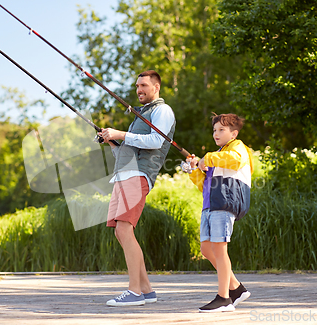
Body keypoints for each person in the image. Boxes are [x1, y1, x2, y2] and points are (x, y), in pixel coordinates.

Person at [98, 70, 175, 307]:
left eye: (143, 85)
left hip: (139, 175)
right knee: (120, 231)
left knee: (124, 228)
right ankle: (146, 290)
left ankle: (134, 293)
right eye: (137, 86)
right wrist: (112, 141)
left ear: (156, 87)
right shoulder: (140, 115)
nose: (139, 90)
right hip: (124, 175)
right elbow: (126, 150)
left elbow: (156, 141)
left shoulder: (163, 110)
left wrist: (121, 133)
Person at [186, 113, 253, 312]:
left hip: (225, 203)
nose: (216, 133)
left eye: (221, 130)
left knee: (219, 248)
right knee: (206, 249)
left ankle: (224, 298)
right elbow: (204, 185)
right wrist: (194, 169)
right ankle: (237, 288)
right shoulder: (217, 156)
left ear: (234, 133)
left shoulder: (237, 148)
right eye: (214, 130)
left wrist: (207, 158)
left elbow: (235, 160)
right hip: (210, 205)